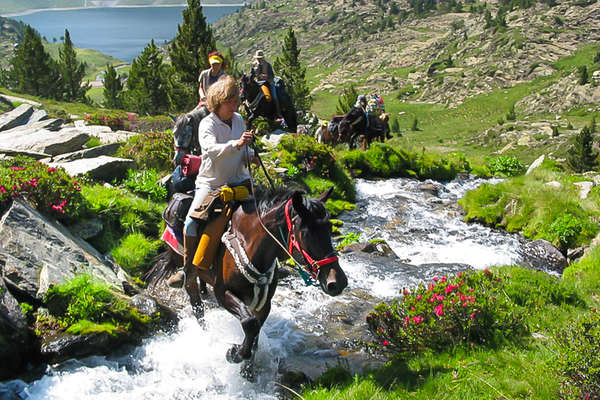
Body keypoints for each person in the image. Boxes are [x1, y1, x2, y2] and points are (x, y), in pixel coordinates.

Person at [168, 75, 255, 288]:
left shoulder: (238, 119)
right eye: (231, 101)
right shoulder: (207, 124)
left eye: (236, 100)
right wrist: (237, 144)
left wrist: (250, 154)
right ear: (218, 101)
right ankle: (188, 270)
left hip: (239, 180)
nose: (235, 105)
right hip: (212, 183)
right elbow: (211, 151)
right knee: (191, 221)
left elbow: (241, 150)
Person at [250, 49, 282, 117]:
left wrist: (266, 76)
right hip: (258, 83)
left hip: (268, 83)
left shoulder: (268, 65)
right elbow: (252, 74)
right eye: (258, 58)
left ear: (262, 58)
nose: (259, 59)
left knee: (274, 97)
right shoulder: (254, 65)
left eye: (260, 58)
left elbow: (272, 76)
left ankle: (278, 112)